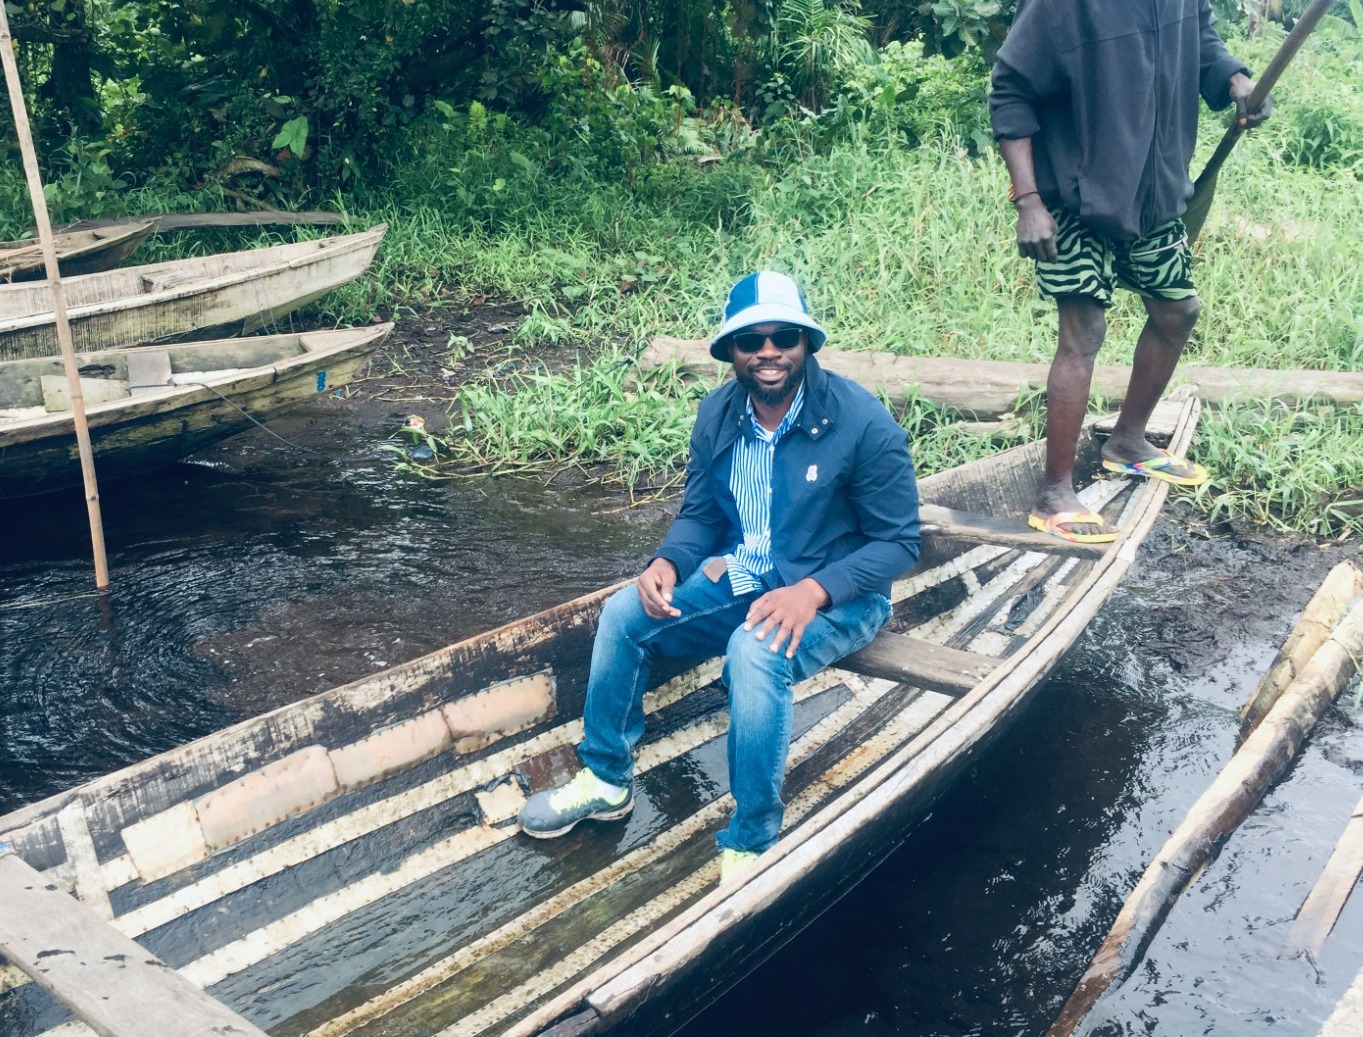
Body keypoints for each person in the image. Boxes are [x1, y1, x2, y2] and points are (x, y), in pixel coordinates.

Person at [517, 271, 921, 882]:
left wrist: (811, 592)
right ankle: (605, 777)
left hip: (841, 595)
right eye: (749, 341)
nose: (767, 352)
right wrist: (666, 562)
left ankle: (753, 836)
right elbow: (702, 514)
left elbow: (899, 542)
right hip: (745, 578)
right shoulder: (719, 414)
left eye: (783, 336)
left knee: (754, 651)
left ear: (806, 342)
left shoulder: (864, 425)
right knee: (626, 614)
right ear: (729, 349)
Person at [989, 0, 1272, 544]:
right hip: (1074, 196)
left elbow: (1202, 43)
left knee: (1178, 311)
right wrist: (1027, 200)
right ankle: (1054, 493)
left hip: (1155, 191)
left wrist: (1234, 78)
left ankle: (1128, 442)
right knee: (1083, 333)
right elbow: (1012, 88)